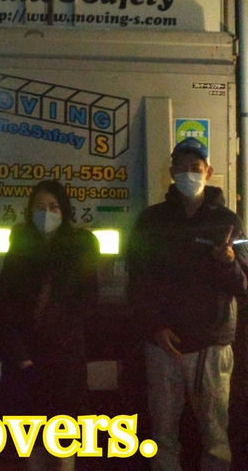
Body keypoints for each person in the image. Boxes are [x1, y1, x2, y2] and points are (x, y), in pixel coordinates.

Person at [127, 137, 248, 471]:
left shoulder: (229, 221)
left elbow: (242, 284)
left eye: (195, 167)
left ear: (208, 172)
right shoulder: (151, 220)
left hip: (211, 345)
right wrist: (155, 326)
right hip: (162, 344)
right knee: (162, 431)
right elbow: (137, 281)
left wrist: (227, 261)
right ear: (171, 173)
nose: (188, 173)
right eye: (181, 167)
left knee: (215, 432)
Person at [0, 180, 100, 471]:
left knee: (64, 440)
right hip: (26, 361)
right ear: (30, 211)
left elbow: (87, 300)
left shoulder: (81, 246)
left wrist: (59, 337)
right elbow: (6, 303)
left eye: (54, 207)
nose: (46, 213)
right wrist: (19, 351)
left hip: (64, 359)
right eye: (40, 207)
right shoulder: (19, 246)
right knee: (32, 441)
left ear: (64, 211)